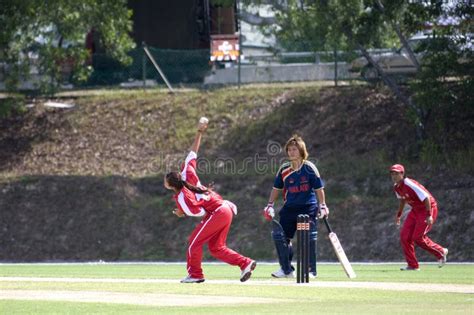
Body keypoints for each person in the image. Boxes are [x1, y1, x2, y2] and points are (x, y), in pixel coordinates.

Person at [164, 117, 256, 283]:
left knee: (194, 243)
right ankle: (245, 263)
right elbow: (194, 151)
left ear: (170, 185)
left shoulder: (182, 196)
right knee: (216, 248)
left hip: (218, 212)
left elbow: (198, 211)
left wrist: (182, 212)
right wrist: (199, 131)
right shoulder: (186, 172)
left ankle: (196, 275)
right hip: (224, 208)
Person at [263, 135, 329, 278]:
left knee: (308, 238)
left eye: (295, 149)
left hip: (308, 208)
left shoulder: (310, 168)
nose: (291, 152)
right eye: (289, 150)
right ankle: (286, 269)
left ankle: (311, 270)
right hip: (289, 209)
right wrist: (269, 205)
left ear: (301, 151)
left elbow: (319, 189)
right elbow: (276, 188)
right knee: (280, 237)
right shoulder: (284, 169)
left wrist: (323, 206)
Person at [389, 164, 448, 271]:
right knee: (404, 236)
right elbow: (402, 200)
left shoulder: (409, 183)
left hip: (427, 209)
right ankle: (412, 265)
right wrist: (399, 215)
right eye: (392, 174)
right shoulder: (396, 187)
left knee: (417, 237)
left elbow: (426, 198)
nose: (394, 176)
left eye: (396, 174)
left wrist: (429, 215)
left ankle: (441, 252)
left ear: (402, 174)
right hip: (415, 210)